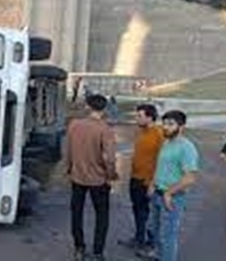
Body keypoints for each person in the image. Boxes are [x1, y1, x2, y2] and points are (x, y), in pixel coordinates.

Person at [137, 110, 200, 261]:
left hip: (172, 198)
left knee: (168, 236)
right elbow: (161, 166)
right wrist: (152, 184)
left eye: (170, 124)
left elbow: (190, 177)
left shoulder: (187, 147)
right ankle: (158, 255)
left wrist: (169, 193)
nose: (165, 127)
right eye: (164, 123)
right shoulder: (166, 142)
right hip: (158, 193)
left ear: (181, 126)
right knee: (155, 230)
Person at [66, 94, 118, 261]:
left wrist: (69, 170)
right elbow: (110, 158)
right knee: (102, 215)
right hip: (99, 180)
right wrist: (111, 175)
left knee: (77, 213)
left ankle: (79, 248)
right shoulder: (105, 129)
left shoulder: (74, 125)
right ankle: (97, 252)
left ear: (87, 107)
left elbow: (68, 152)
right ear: (104, 109)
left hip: (77, 177)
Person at [118, 104, 164, 250]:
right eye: (136, 115)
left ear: (150, 117)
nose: (136, 118)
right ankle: (139, 239)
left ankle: (152, 244)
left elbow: (162, 161)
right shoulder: (142, 132)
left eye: (140, 116)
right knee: (137, 210)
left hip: (147, 181)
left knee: (148, 213)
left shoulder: (158, 134)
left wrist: (153, 182)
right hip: (136, 178)